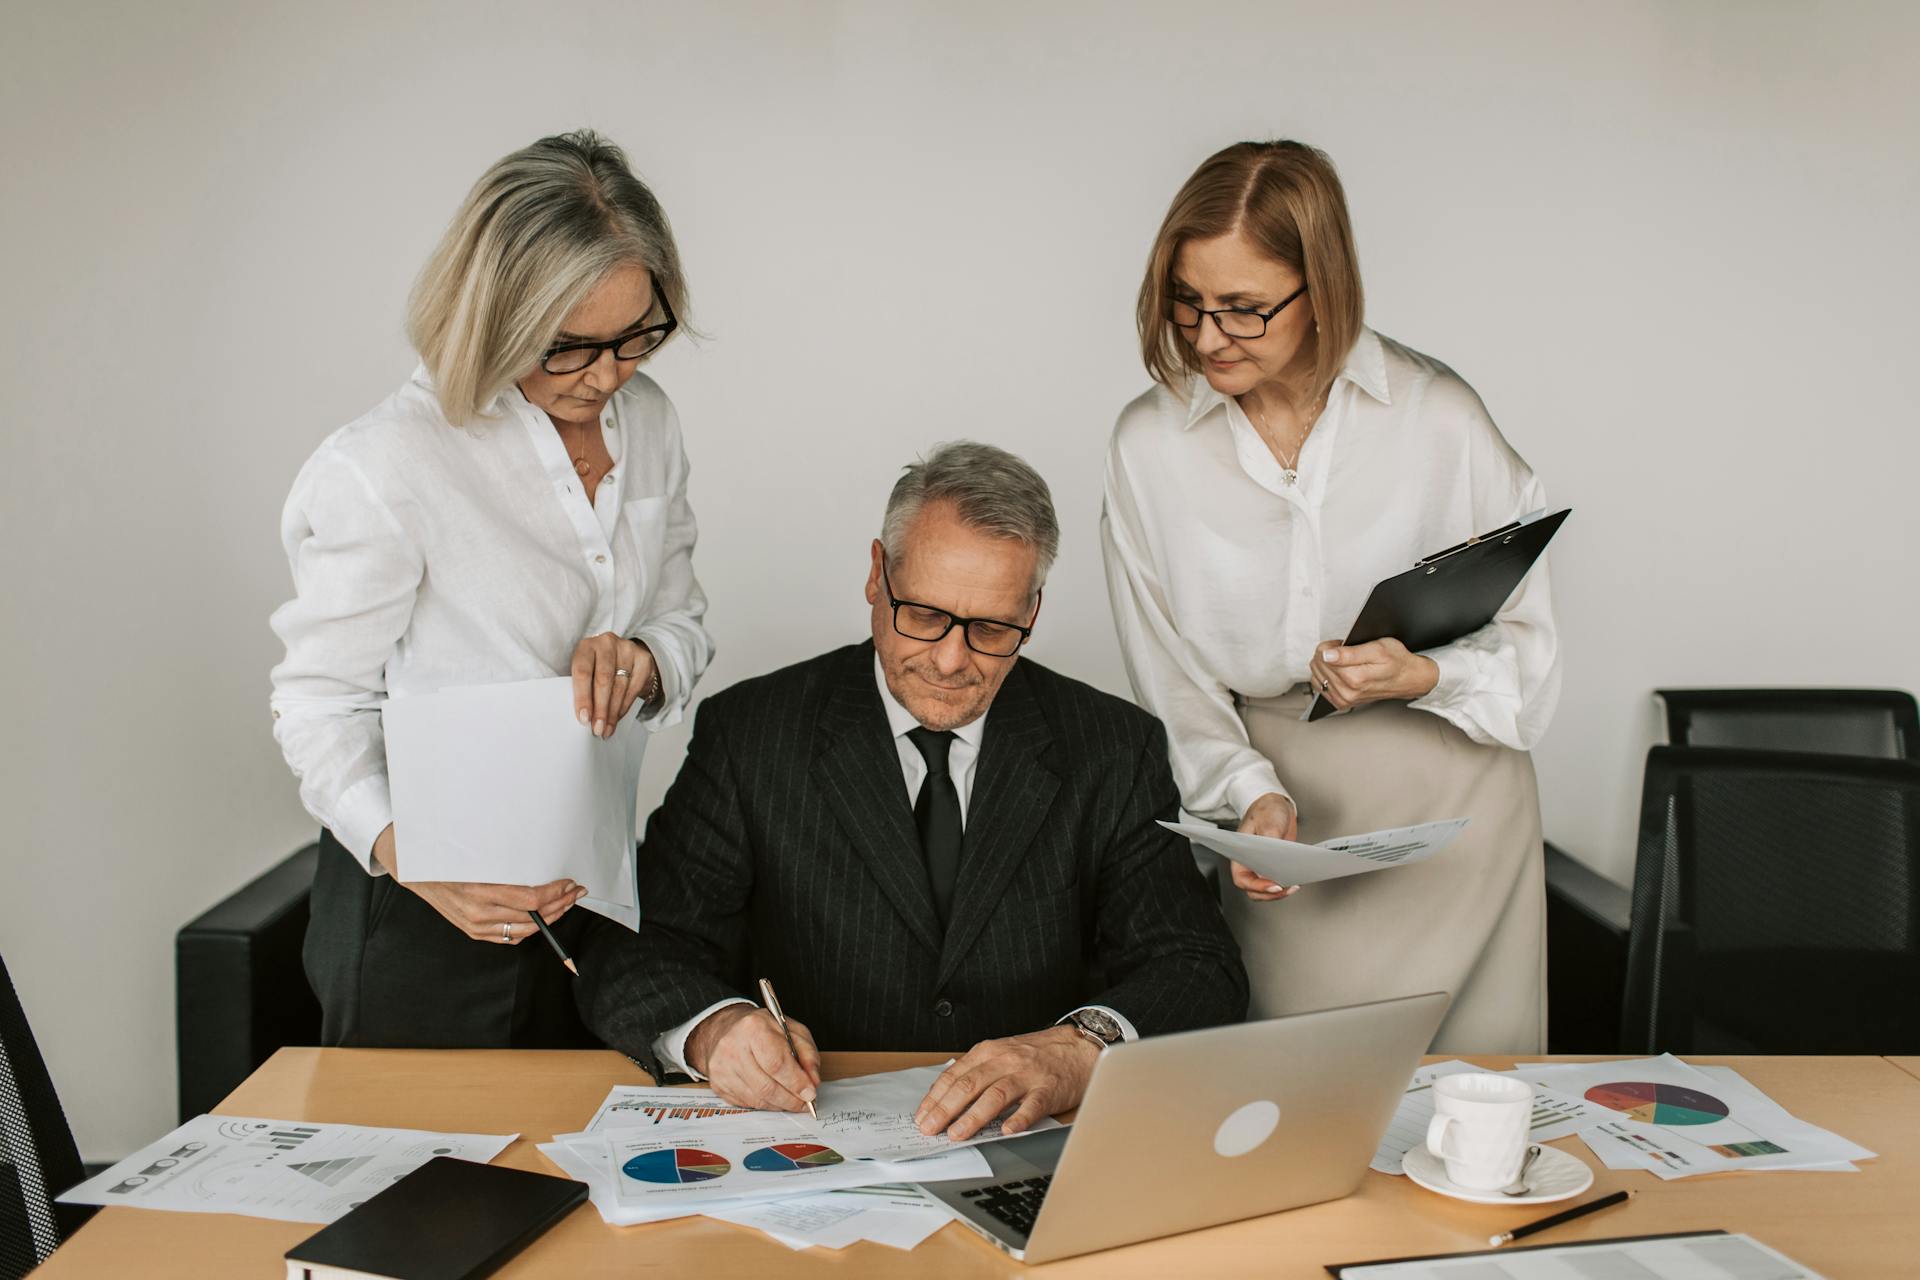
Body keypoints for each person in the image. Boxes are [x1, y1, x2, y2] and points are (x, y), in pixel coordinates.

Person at [578, 442, 1246, 1137]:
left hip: (1030, 1143)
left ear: (1034, 611)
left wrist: (1084, 1046)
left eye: (991, 628)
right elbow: (639, 946)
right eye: (923, 615)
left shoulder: (1114, 746)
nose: (951, 661)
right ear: (877, 575)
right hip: (813, 1137)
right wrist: (715, 1030)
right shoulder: (753, 734)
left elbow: (1197, 965)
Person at [1100, 141, 1560, 1054]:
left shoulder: (1441, 418)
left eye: (1244, 308)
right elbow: (1173, 686)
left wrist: (1421, 673)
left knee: (1474, 1118)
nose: (1206, 336)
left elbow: (1533, 669)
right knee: (1284, 1118)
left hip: (1462, 817)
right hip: (1285, 824)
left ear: (1324, 285)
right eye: (1187, 301)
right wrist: (1249, 799)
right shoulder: (1147, 448)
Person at [269, 130, 715, 1048]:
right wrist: (416, 861)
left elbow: (683, 620)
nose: (606, 376)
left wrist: (643, 657)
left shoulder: (649, 421)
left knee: (579, 1178)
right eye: (568, 348)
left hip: (586, 883)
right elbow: (316, 706)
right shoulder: (385, 464)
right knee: (430, 1188)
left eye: (637, 338)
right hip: (419, 911)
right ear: (495, 317)